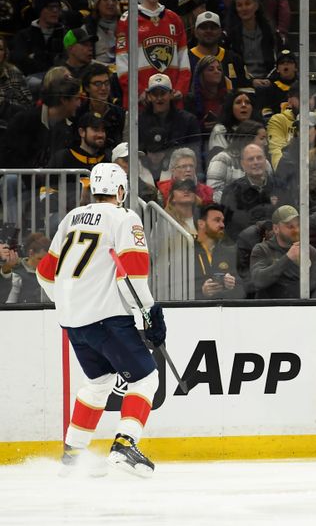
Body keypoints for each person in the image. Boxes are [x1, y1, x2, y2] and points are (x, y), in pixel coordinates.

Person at [35, 162, 167, 477]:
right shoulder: (125, 217)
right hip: (107, 319)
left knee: (98, 382)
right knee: (146, 378)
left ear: (94, 189)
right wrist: (150, 312)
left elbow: (44, 273)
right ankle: (124, 445)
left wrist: (70, 302)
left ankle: (72, 456)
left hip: (74, 321)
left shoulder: (71, 219)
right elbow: (132, 275)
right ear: (120, 190)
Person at [116, 0, 190, 109]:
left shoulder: (174, 19)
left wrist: (180, 88)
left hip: (172, 102)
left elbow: (184, 59)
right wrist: (138, 91)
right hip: (142, 103)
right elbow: (122, 62)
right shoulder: (128, 19)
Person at [249, 204, 316, 298]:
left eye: (298, 225)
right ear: (276, 229)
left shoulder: (310, 251)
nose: (296, 230)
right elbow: (258, 281)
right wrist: (288, 258)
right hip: (270, 309)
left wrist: (311, 309)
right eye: (290, 226)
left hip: (301, 309)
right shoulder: (262, 250)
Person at [138, 73, 202, 161]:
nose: (159, 98)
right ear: (149, 96)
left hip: (180, 170)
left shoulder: (189, 120)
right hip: (147, 170)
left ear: (171, 94)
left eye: (163, 93)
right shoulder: (139, 121)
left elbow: (195, 155)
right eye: (155, 94)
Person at [220, 142, 276, 240]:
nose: (256, 162)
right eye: (251, 159)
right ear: (243, 164)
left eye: (259, 158)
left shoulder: (280, 186)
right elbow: (229, 229)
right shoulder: (231, 192)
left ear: (265, 160)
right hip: (246, 247)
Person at [206, 119, 268, 202]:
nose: (266, 143)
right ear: (248, 139)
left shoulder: (265, 162)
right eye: (262, 138)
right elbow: (212, 194)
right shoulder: (222, 159)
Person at [189, 11, 249, 90]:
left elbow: (245, 87)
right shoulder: (187, 59)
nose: (208, 31)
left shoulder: (234, 59)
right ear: (195, 32)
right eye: (204, 27)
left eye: (213, 27)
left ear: (220, 32)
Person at [194, 203, 242, 299]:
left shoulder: (230, 252)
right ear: (201, 223)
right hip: (194, 312)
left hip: (224, 311)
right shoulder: (187, 252)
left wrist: (232, 286)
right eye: (217, 220)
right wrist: (202, 292)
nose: (222, 225)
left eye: (223, 221)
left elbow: (243, 292)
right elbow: (176, 290)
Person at [77, 63, 126, 149]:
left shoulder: (120, 114)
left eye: (106, 83)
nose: (103, 88)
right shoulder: (79, 113)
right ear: (87, 87)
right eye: (98, 84)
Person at [1, 232, 49, 303]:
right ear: (31, 253)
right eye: (39, 259)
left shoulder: (52, 273)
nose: (44, 264)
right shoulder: (17, 274)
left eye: (47, 261)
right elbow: (10, 304)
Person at [84, 0, 121, 65]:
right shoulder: (88, 27)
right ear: (97, 4)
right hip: (96, 69)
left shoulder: (125, 23)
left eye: (113, 0)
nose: (110, 3)